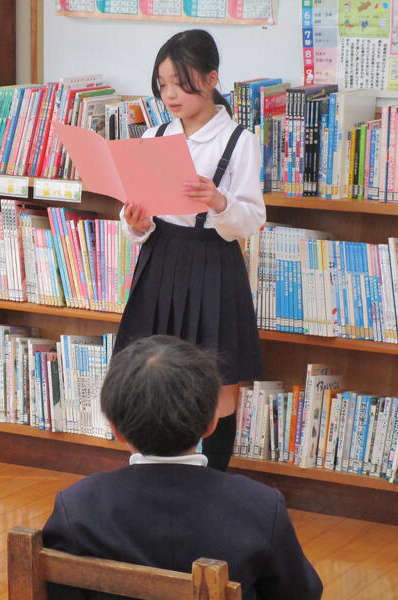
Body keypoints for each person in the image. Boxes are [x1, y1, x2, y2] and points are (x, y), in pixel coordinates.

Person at [42, 335, 322, 600]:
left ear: (115, 429)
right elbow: (300, 594)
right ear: (212, 423)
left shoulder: (77, 505)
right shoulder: (261, 505)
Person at [115, 29, 265, 471]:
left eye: (181, 83)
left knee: (217, 384)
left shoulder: (239, 140)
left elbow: (250, 221)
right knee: (148, 375)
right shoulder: (156, 134)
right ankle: (150, 477)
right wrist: (136, 224)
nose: (170, 94)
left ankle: (212, 482)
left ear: (212, 79)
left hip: (213, 265)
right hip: (160, 261)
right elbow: (140, 217)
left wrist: (219, 202)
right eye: (163, 84)